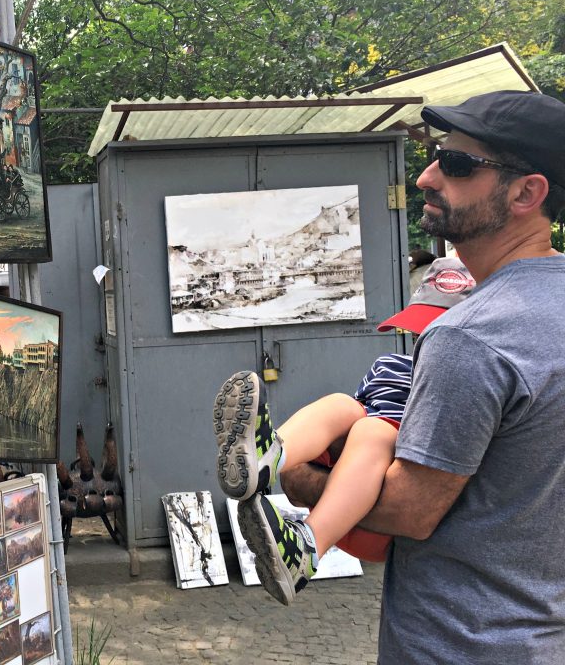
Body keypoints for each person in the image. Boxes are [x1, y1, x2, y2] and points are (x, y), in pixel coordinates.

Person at [264, 90, 565, 663]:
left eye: (456, 165)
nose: (427, 176)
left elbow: (409, 510)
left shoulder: (472, 336)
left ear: (528, 192)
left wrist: (301, 481)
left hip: (459, 644)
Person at [214, 256, 475, 603]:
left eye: (444, 335)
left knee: (373, 431)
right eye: (422, 331)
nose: (428, 343)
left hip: (390, 518)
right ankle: (267, 456)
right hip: (351, 505)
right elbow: (346, 422)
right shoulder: (389, 366)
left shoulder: (471, 384)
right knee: (343, 404)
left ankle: (307, 548)